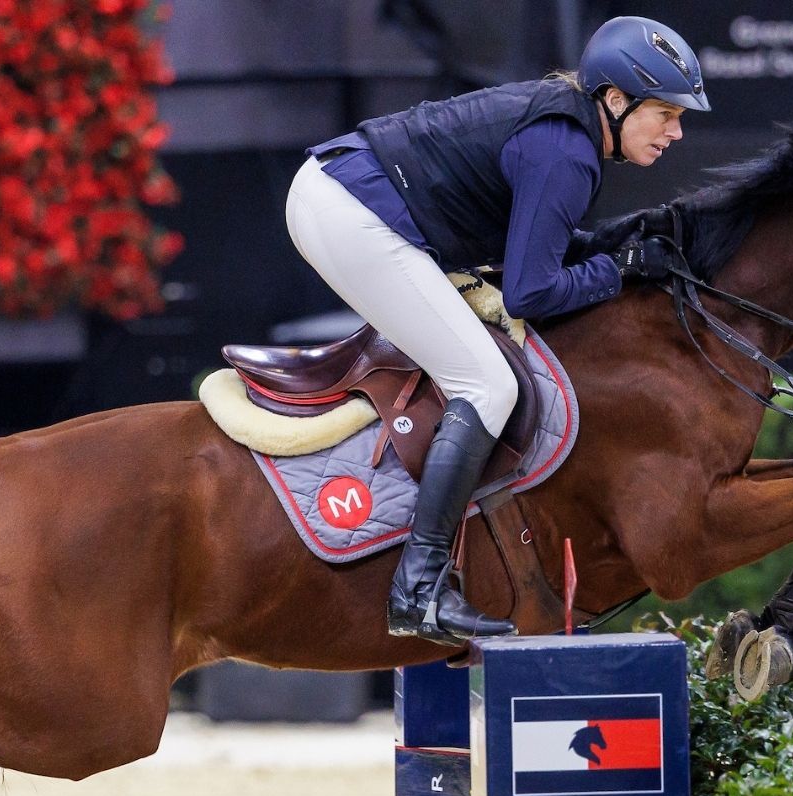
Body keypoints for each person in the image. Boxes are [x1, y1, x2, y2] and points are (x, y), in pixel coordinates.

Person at [285, 15, 709, 646]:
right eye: (666, 114)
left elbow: (536, 251)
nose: (676, 131)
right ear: (616, 101)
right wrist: (619, 269)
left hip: (340, 192)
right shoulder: (567, 152)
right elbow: (529, 293)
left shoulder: (567, 128)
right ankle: (419, 589)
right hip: (351, 212)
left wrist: (612, 249)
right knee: (487, 385)